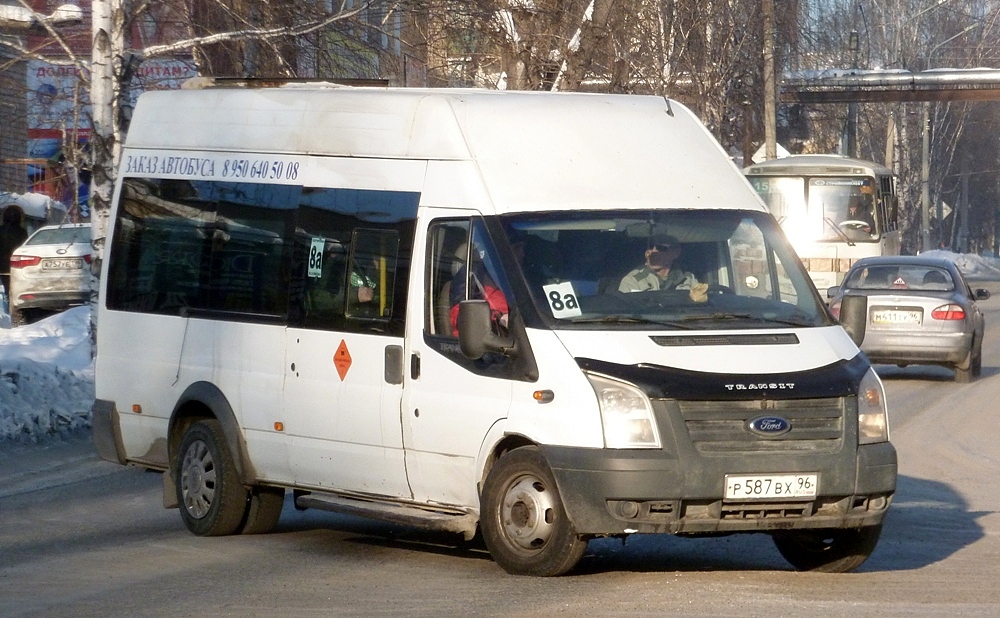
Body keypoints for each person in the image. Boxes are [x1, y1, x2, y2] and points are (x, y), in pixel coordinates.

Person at [618, 234, 708, 301]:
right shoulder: (632, 280)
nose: (653, 251)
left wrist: (699, 300)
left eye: (661, 248)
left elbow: (697, 309)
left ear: (675, 253)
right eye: (650, 246)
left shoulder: (688, 278)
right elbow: (625, 314)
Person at [0, 205, 29, 302]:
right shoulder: (22, 232)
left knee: (7, 287)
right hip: (17, 265)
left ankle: (8, 303)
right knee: (16, 289)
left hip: (2, 266)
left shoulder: (0, 230)